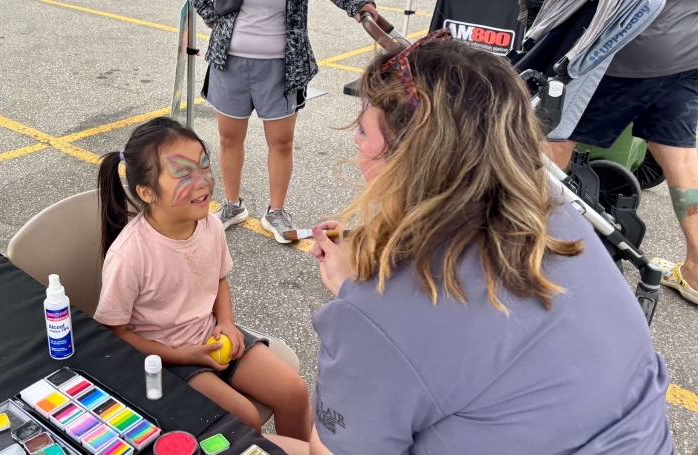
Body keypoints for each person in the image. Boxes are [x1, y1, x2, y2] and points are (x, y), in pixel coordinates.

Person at [273, 35, 673, 454]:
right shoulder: (557, 214)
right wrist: (363, 284)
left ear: (411, 155)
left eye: (363, 128)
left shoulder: (378, 314)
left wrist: (365, 299)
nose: (356, 139)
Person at [94, 117, 311, 440]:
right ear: (146, 192)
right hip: (167, 358)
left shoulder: (209, 225)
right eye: (183, 173)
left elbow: (219, 278)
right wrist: (183, 356)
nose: (202, 181)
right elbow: (115, 334)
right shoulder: (130, 255)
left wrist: (226, 322)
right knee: (245, 420)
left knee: (295, 391)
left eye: (205, 166)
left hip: (211, 335)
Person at [547, 0, 698, 305]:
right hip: (688, 48)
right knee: (680, 154)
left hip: (630, 43)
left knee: (553, 137)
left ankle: (525, 251)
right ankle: (696, 272)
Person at [193, 0, 377, 243]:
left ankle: (276, 212)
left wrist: (358, 4)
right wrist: (210, 14)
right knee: (228, 138)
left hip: (284, 64)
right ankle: (232, 204)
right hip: (229, 60)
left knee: (281, 142)